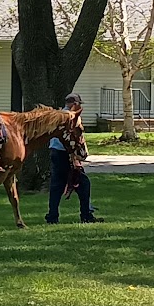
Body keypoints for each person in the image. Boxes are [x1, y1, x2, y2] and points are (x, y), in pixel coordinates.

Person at [45, 93, 99, 224]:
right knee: (83, 183)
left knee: (57, 184)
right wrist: (76, 157)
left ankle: (53, 216)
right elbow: (73, 139)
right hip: (66, 153)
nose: (80, 106)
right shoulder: (70, 117)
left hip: (56, 152)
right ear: (74, 104)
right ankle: (86, 215)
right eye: (79, 103)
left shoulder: (58, 116)